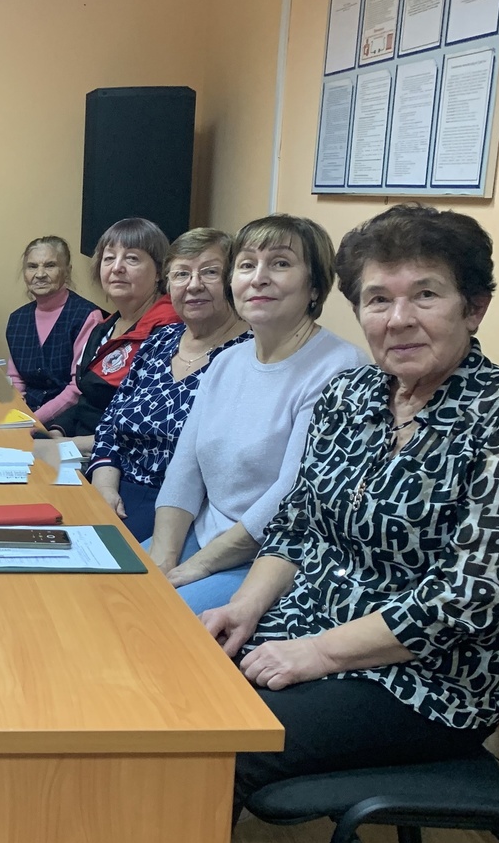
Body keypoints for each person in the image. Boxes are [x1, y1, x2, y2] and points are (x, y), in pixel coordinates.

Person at [190, 205, 499, 815]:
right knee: (166, 687)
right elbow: (297, 524)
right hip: (304, 626)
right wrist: (243, 610)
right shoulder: (349, 395)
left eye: (425, 295)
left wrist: (316, 653)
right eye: (378, 300)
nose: (399, 319)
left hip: (430, 680)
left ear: (473, 308)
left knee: (209, 743)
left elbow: (469, 598)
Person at [147, 214, 366, 615]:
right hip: (204, 536)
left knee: (157, 620)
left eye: (280, 263)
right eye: (247, 265)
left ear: (315, 286)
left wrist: (197, 567)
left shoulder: (341, 368)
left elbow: (292, 493)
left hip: (272, 557)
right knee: (110, 592)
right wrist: (162, 560)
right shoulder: (227, 361)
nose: (259, 278)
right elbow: (184, 469)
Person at [88, 228, 250, 540]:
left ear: (232, 281)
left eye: (210, 272)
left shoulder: (248, 354)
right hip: (113, 488)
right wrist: (104, 489)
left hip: (187, 513)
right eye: (181, 274)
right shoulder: (161, 339)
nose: (194, 285)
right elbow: (109, 425)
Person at [44, 218, 180, 447]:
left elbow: (141, 429)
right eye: (109, 258)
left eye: (132, 258)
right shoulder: (105, 326)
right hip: (77, 442)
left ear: (159, 271)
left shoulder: (169, 331)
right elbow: (88, 398)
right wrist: (59, 429)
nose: (117, 267)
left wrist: (63, 446)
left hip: (114, 456)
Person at [4, 235, 100, 422]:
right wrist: (16, 414)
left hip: (68, 421)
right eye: (32, 266)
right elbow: (16, 380)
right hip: (25, 416)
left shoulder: (87, 316)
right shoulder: (17, 319)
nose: (40, 274)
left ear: (67, 271)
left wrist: (32, 421)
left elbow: (77, 388)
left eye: (50, 265)